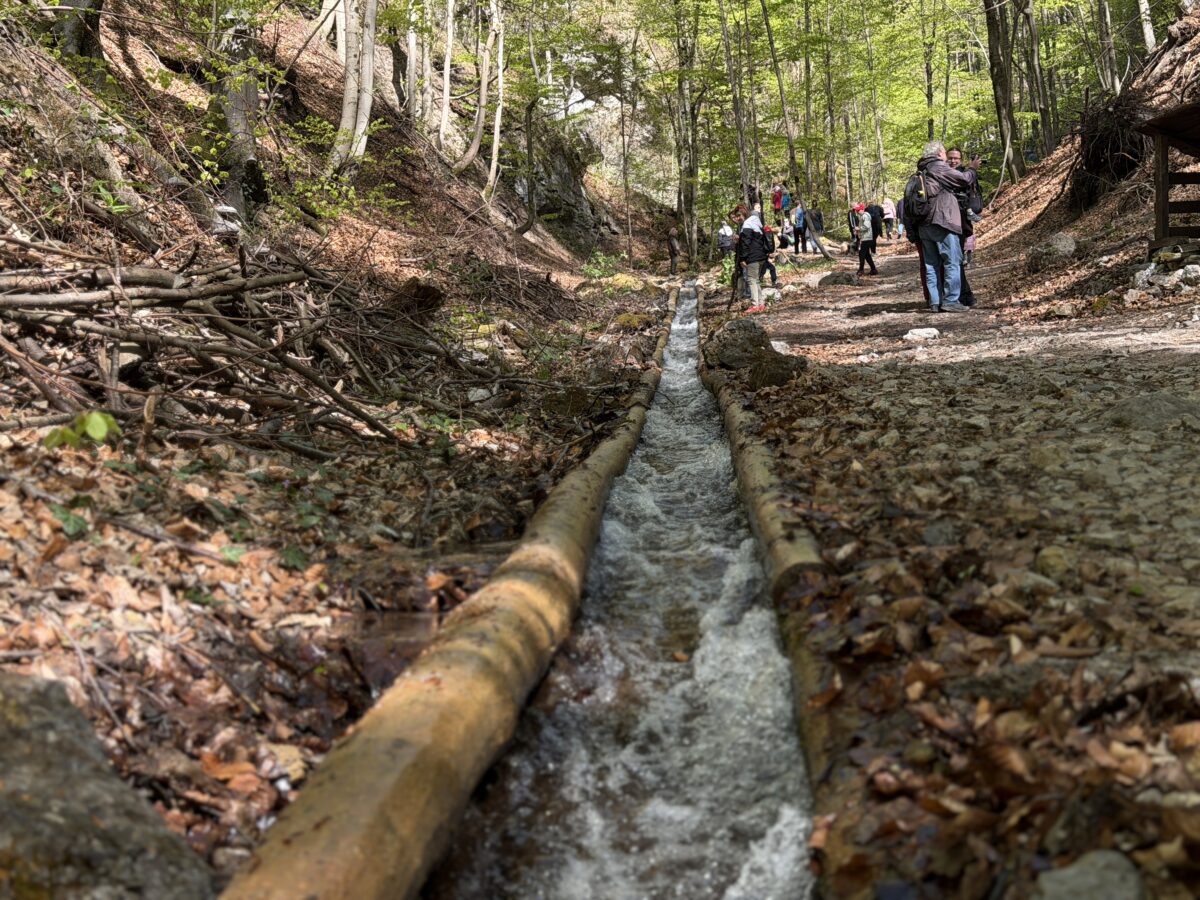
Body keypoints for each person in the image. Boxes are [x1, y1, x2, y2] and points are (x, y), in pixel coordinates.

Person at [915, 140, 980, 313]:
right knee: (952, 261)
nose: (947, 157)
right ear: (939, 153)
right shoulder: (938, 167)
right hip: (942, 221)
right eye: (944, 153)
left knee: (931, 264)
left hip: (924, 224)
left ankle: (935, 301)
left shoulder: (922, 169)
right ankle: (951, 301)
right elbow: (964, 179)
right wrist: (972, 168)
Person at [946, 147, 983, 307]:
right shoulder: (944, 174)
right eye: (950, 158)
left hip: (962, 224)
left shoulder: (965, 175)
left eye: (956, 158)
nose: (953, 161)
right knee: (954, 261)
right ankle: (963, 295)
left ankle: (964, 296)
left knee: (956, 261)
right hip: (948, 223)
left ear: (961, 160)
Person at [736, 205, 770, 307]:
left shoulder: (747, 224)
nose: (738, 218)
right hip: (761, 255)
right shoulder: (757, 223)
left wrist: (742, 258)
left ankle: (755, 304)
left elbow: (746, 243)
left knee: (751, 280)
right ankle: (761, 303)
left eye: (739, 215)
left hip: (752, 257)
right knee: (756, 280)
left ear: (744, 214)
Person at [856, 203, 878, 276]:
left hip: (867, 238)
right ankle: (873, 269)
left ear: (862, 209)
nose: (857, 212)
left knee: (861, 254)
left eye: (858, 210)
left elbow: (867, 226)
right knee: (866, 255)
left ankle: (861, 269)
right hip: (864, 237)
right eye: (856, 210)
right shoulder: (862, 216)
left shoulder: (865, 216)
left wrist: (859, 229)